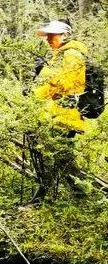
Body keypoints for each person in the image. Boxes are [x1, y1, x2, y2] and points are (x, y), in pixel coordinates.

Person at [28, 20, 87, 201]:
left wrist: (43, 71)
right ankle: (82, 194)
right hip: (60, 115)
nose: (48, 39)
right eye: (47, 36)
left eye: (52, 35)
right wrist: (32, 94)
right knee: (61, 159)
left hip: (68, 116)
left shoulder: (72, 55)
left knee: (56, 157)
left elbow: (67, 85)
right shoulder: (61, 54)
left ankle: (43, 198)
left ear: (64, 35)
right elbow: (53, 89)